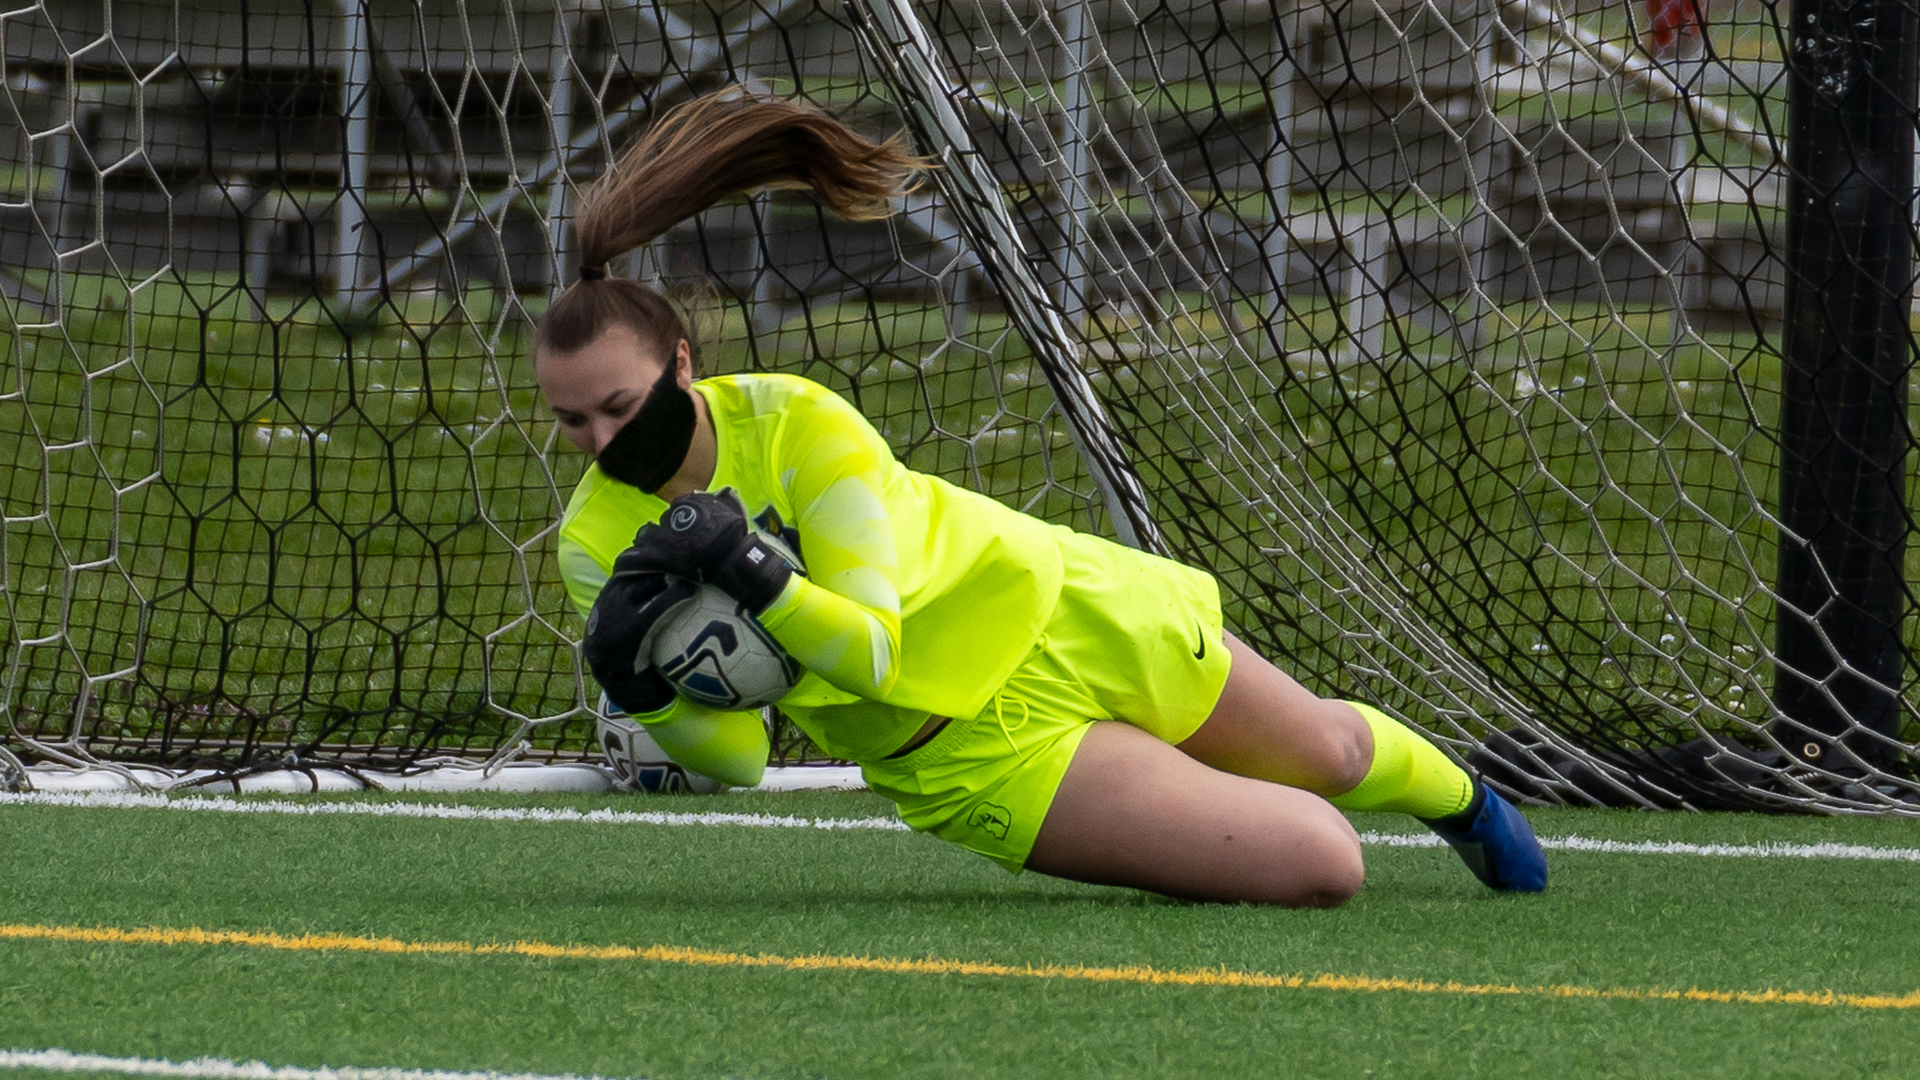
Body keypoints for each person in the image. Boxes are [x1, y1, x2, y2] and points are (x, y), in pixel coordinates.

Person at [538, 90, 1547, 906]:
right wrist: (638, 687)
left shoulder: (799, 421)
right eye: (574, 423)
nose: (603, 441)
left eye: (621, 407)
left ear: (679, 363)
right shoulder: (596, 541)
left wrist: (745, 566)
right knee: (1324, 865)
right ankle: (1183, 802)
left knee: (1328, 750)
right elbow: (746, 757)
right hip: (968, 754)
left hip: (1063, 609)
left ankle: (1465, 802)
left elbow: (875, 643)